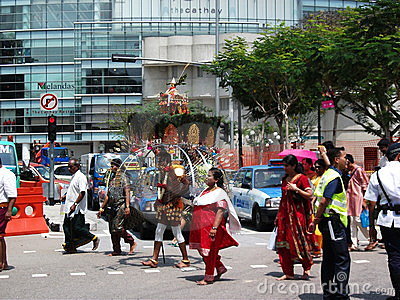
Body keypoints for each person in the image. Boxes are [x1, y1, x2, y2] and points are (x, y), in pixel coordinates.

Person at [309, 148, 350, 300]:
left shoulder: (329, 174)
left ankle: (329, 293)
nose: (347, 160)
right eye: (344, 157)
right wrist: (316, 220)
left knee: (330, 258)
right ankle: (340, 294)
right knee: (341, 259)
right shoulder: (333, 177)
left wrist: (324, 154)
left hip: (328, 222)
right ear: (336, 160)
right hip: (333, 221)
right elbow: (325, 200)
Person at [189, 167, 241, 285]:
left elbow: (220, 211)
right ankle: (220, 267)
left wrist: (214, 228)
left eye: (209, 176)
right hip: (199, 226)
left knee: (209, 251)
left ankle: (208, 277)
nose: (206, 178)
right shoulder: (206, 191)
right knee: (202, 250)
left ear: (216, 179)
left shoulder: (219, 193)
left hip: (210, 226)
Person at [142, 149, 191, 268]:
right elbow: (162, 191)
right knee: (159, 231)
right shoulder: (162, 173)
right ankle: (154, 259)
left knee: (177, 232)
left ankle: (185, 259)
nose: (158, 163)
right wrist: (159, 201)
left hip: (173, 206)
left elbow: (186, 185)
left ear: (166, 161)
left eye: (160, 161)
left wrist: (176, 195)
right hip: (164, 206)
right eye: (158, 161)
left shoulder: (174, 172)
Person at [364, 143, 400, 300]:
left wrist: (371, 227)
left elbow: (370, 203)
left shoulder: (377, 175)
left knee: (394, 257)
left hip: (387, 220)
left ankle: (398, 293)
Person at [275, 155, 314, 280]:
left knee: (300, 241)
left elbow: (309, 195)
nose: (284, 168)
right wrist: (278, 215)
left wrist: (296, 189)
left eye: (287, 166)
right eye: (284, 165)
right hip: (284, 215)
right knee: (283, 244)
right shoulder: (285, 179)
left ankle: (306, 269)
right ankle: (288, 272)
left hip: (298, 216)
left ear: (293, 166)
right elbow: (283, 199)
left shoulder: (301, 178)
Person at [97, 158, 140, 256]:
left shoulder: (124, 177)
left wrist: (127, 206)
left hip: (121, 205)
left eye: (113, 166)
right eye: (111, 166)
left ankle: (131, 241)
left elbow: (127, 192)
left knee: (117, 227)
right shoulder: (112, 179)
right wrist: (101, 208)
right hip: (112, 206)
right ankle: (116, 249)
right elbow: (108, 195)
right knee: (111, 228)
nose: (112, 168)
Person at [62, 158, 99, 253]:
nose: (69, 169)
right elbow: (74, 190)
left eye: (71, 167)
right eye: (68, 167)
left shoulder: (81, 177)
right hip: (69, 206)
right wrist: (65, 196)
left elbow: (82, 192)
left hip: (77, 208)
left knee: (77, 228)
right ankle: (70, 245)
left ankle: (93, 238)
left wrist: (75, 204)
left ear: (77, 166)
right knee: (66, 226)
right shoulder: (74, 176)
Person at [345, 154, 371, 251]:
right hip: (350, 198)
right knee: (352, 221)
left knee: (359, 220)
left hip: (358, 198)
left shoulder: (358, 170)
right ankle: (354, 243)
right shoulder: (349, 171)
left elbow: (365, 184)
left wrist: (365, 200)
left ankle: (371, 237)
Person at [0, 158, 17, 271]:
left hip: (2, 207)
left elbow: (12, 195)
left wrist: (9, 211)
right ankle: (3, 262)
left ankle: (1, 263)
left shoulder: (7, 174)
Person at [310, 159, 328, 258]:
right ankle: (317, 249)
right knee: (316, 230)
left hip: (324, 208)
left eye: (319, 167)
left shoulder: (325, 178)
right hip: (315, 207)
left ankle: (320, 249)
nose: (316, 169)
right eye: (315, 167)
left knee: (319, 231)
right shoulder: (315, 177)